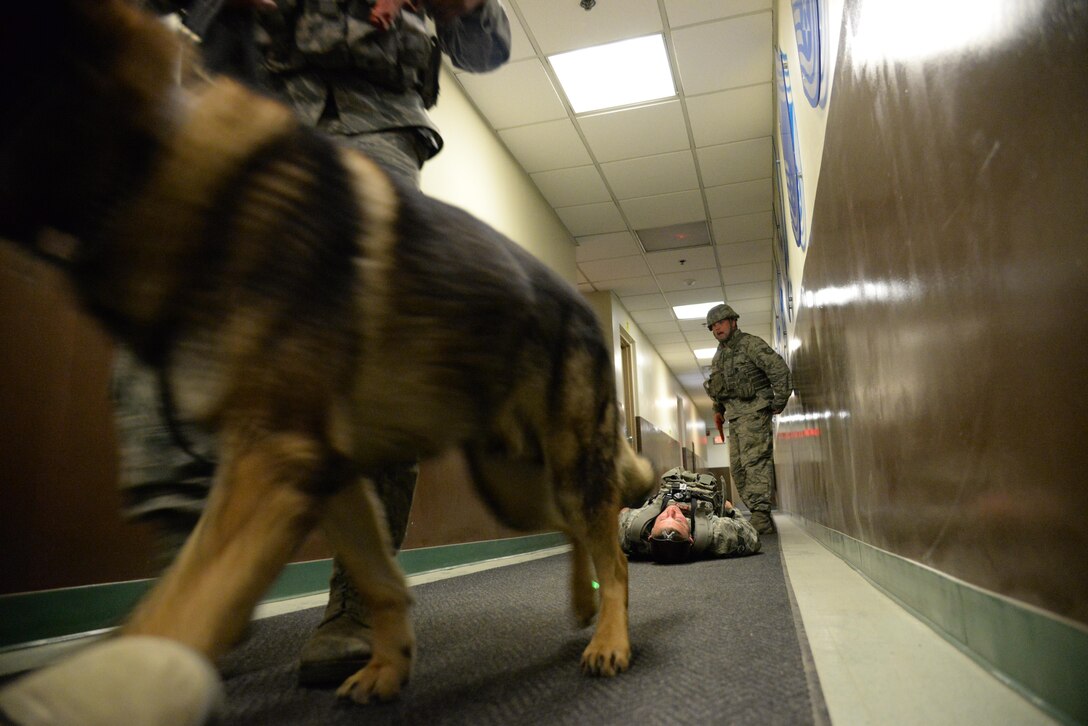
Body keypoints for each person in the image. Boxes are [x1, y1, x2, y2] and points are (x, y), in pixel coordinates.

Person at [113, 0, 512, 689]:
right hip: (233, 107)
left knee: (374, 354)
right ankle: (192, 572)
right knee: (171, 311)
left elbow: (488, 43)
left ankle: (362, 601)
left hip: (374, 121)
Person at [702, 303, 792, 535]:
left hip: (755, 411)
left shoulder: (751, 344)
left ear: (733, 321)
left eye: (721, 323)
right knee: (738, 468)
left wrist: (778, 401)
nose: (717, 329)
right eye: (713, 326)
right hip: (735, 417)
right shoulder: (719, 355)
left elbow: (779, 370)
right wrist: (717, 409)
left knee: (755, 463)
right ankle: (757, 512)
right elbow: (718, 387)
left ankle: (761, 517)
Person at [619, 468, 761, 563]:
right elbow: (752, 537)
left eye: (661, 519)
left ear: (649, 537)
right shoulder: (717, 534)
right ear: (691, 538)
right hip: (703, 496)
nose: (672, 511)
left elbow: (622, 514)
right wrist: (731, 510)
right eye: (679, 521)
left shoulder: (630, 533)